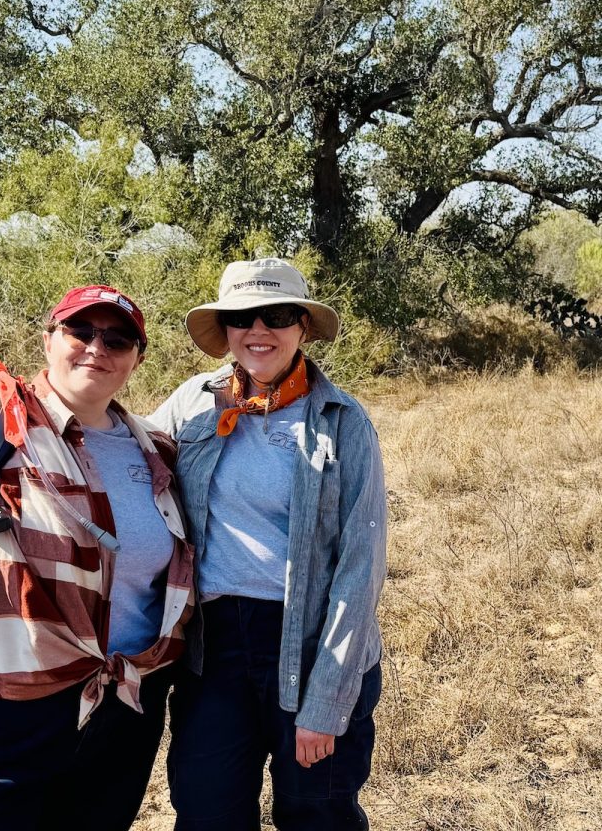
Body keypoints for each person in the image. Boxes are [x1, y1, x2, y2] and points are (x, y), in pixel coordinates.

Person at [0, 284, 194, 831]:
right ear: (48, 340)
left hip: (124, 706)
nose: (97, 347)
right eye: (80, 331)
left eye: (117, 339)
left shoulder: (155, 449)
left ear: (137, 358)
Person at [149, 257, 387, 831]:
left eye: (276, 314)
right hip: (214, 647)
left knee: (317, 812)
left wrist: (327, 699)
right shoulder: (192, 403)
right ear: (226, 330)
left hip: (310, 644)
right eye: (241, 317)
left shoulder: (342, 420)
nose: (259, 330)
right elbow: (122, 455)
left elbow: (361, 565)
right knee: (208, 811)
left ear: (302, 326)